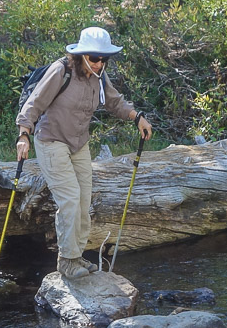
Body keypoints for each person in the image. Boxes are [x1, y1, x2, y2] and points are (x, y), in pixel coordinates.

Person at [16, 26, 152, 279]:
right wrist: (23, 135)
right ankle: (66, 261)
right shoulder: (61, 71)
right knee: (69, 199)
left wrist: (137, 117)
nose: (99, 63)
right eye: (94, 58)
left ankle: (76, 255)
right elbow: (34, 103)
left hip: (79, 144)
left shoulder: (99, 76)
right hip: (51, 141)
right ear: (81, 55)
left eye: (104, 58)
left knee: (83, 200)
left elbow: (114, 101)